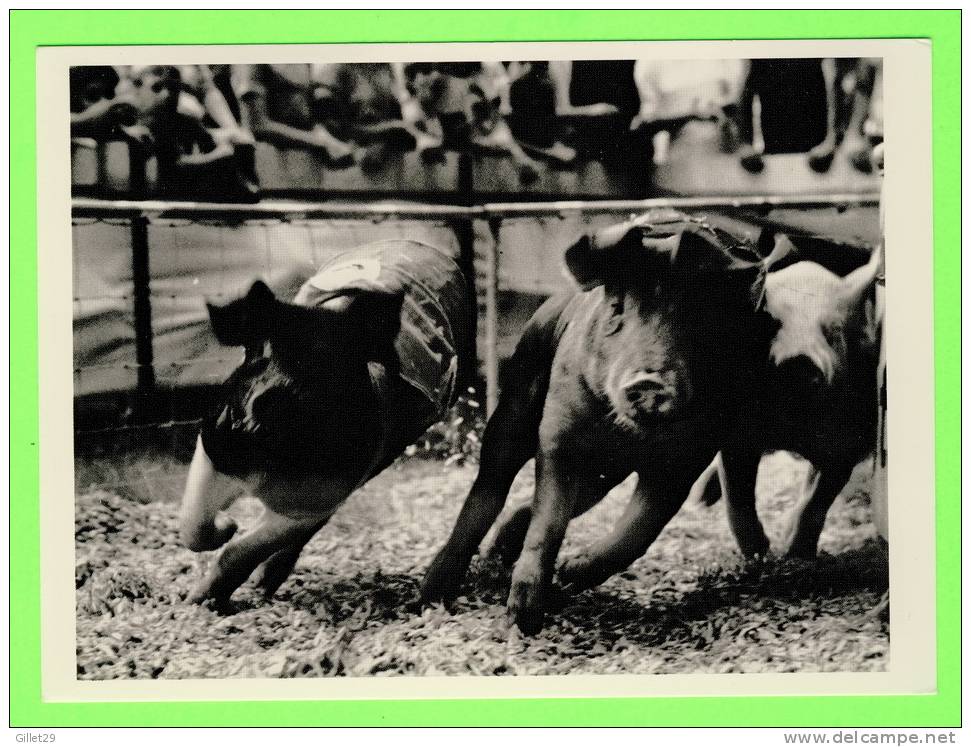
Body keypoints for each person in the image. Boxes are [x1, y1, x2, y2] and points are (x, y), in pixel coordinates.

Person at [231, 63, 356, 168]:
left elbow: (309, 114)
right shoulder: (249, 62)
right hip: (265, 160)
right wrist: (322, 142)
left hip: (305, 161)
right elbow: (257, 125)